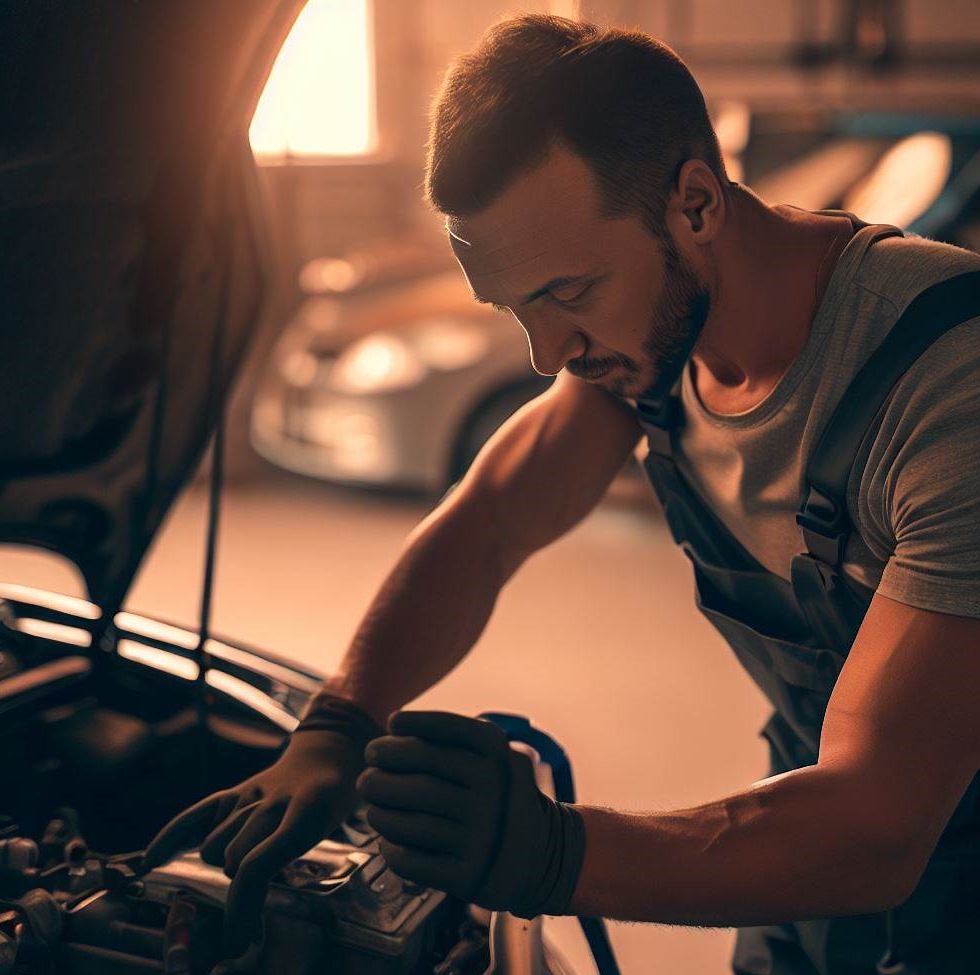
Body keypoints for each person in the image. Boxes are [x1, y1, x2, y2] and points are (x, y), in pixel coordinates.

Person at [144, 15, 980, 973]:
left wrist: (551, 853)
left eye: (568, 293)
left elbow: (879, 826)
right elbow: (491, 520)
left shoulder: (948, 384)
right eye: (518, 309)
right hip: (795, 836)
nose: (549, 356)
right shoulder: (653, 342)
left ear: (697, 203)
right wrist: (340, 720)